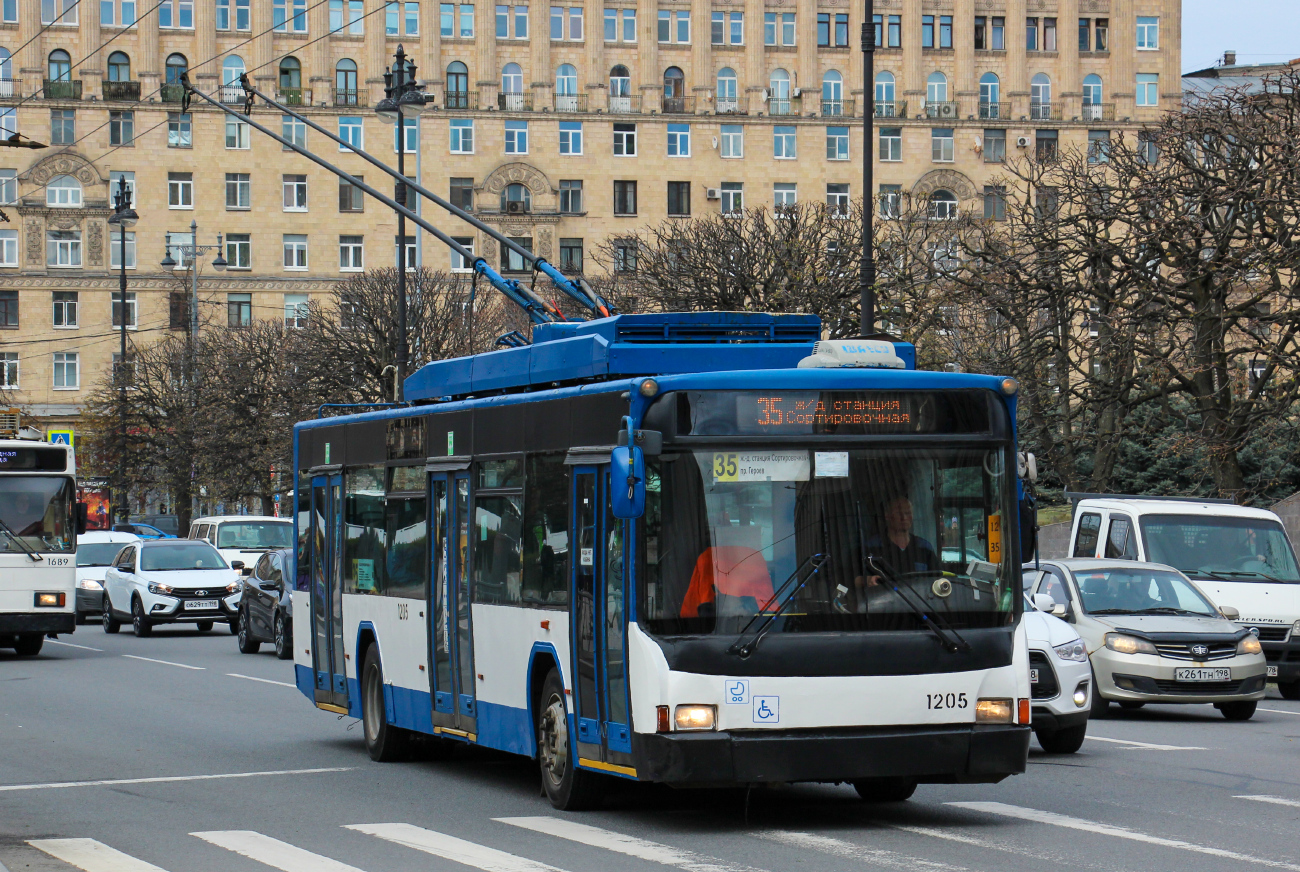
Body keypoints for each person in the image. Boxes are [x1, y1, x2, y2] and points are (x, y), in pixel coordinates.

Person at [859, 496, 940, 592]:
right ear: (887, 516)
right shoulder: (872, 547)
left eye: (908, 513)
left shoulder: (925, 547)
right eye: (899, 513)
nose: (904, 518)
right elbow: (852, 579)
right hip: (884, 600)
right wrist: (866, 580)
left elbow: (938, 579)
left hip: (919, 600)